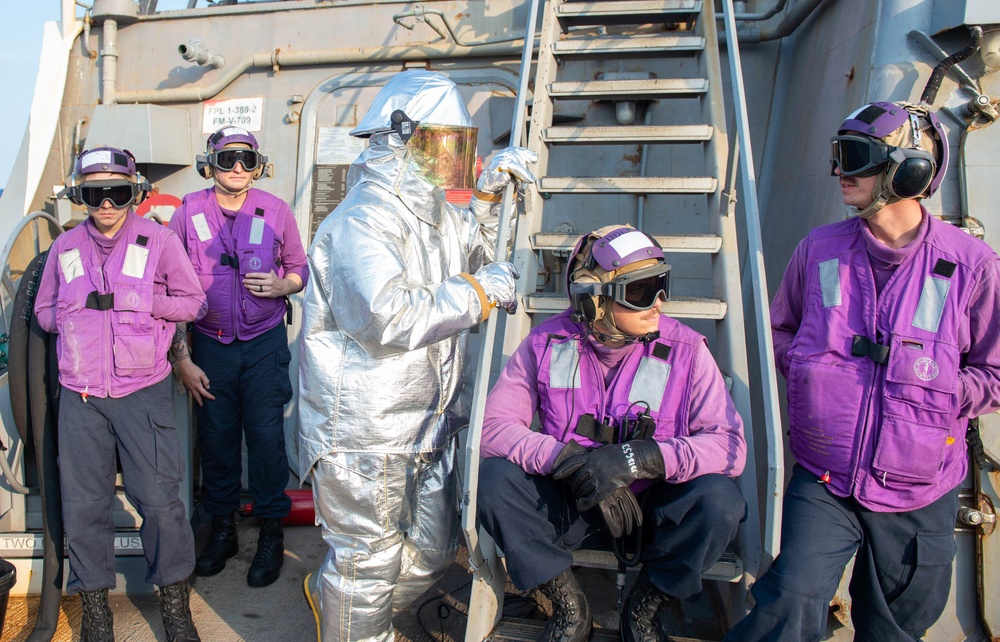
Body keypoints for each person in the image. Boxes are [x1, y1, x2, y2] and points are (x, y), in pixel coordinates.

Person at [724, 101, 1000, 641]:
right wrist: (806, 369)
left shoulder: (972, 266)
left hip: (919, 486)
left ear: (909, 169)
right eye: (837, 156)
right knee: (788, 602)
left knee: (893, 628)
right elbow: (782, 331)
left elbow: (995, 371)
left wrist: (941, 391)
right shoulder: (819, 250)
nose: (839, 172)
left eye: (854, 158)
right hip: (826, 476)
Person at [297, 69, 536, 642]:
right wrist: (479, 293)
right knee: (368, 563)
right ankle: (351, 615)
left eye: (461, 147)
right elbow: (385, 316)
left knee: (432, 550)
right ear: (403, 138)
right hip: (365, 433)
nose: (452, 160)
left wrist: (483, 197)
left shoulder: (428, 213)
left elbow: (462, 251)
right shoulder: (361, 219)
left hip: (427, 422)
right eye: (444, 145)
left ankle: (340, 599)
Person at [477, 224, 747, 642]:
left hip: (650, 511)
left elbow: (729, 445)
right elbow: (493, 428)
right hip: (574, 501)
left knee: (720, 502)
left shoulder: (688, 350)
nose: (658, 302)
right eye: (641, 291)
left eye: (663, 285)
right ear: (593, 300)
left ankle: (644, 610)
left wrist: (644, 459)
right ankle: (570, 607)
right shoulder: (546, 343)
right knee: (494, 482)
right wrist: (564, 459)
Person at [34, 146, 206, 642]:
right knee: (84, 507)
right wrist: (72, 320)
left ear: (134, 193)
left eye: (117, 193)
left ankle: (175, 610)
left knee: (158, 503)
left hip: (142, 393)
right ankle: (96, 615)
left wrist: (139, 301)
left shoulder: (158, 240)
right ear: (80, 196)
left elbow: (192, 302)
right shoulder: (65, 249)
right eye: (95, 194)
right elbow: (45, 311)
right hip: (80, 396)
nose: (106, 204)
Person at [168, 126, 308, 588]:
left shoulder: (276, 210)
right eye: (228, 160)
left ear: (258, 164)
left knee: (267, 441)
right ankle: (224, 529)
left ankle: (270, 533)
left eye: (247, 160)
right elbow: (167, 285)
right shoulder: (188, 213)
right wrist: (182, 358)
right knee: (216, 440)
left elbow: (299, 268)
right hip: (209, 344)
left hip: (264, 343)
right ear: (211, 163)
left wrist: (284, 285)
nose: (238, 169)